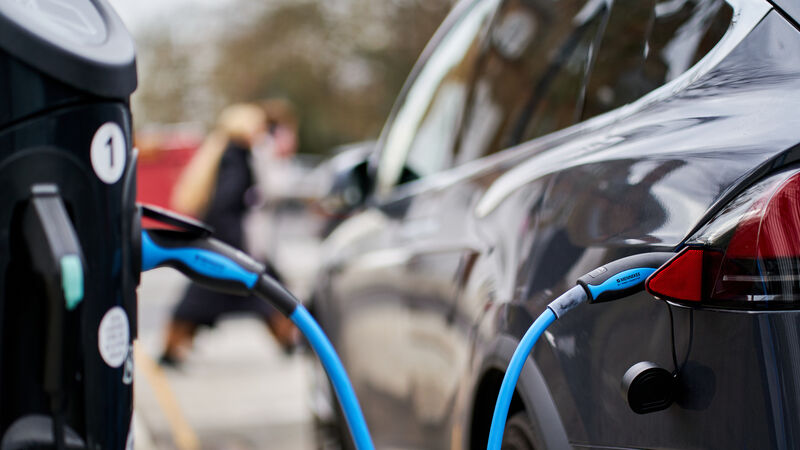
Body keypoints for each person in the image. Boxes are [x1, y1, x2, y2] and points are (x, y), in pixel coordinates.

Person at [159, 103, 299, 367]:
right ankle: (172, 347)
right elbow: (225, 205)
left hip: (224, 241)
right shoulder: (237, 157)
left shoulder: (225, 153)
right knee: (263, 293)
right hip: (230, 243)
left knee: (259, 293)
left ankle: (288, 339)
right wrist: (236, 245)